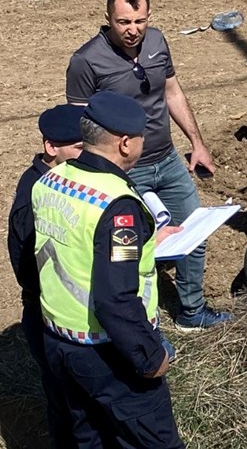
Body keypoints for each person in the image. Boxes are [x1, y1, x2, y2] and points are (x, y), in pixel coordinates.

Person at [66, 0, 232, 330]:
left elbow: (171, 92)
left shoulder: (156, 42)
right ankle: (141, 325)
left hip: (168, 160)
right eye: (123, 22)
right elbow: (80, 128)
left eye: (139, 21)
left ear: (149, 16)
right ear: (107, 18)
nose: (133, 30)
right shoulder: (86, 62)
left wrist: (197, 143)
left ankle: (192, 311)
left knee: (192, 233)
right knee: (133, 251)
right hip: (124, 172)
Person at [33, 91, 185, 447]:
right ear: (125, 143)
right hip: (108, 354)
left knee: (91, 438)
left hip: (58, 343)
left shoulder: (50, 181)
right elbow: (115, 299)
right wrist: (151, 357)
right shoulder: (118, 205)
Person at [7, 105, 85, 448]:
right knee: (68, 402)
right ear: (51, 148)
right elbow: (28, 268)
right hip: (49, 317)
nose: (90, 155)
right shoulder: (34, 195)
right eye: (80, 148)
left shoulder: (62, 179)